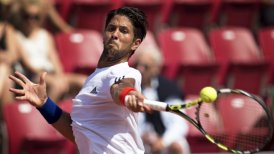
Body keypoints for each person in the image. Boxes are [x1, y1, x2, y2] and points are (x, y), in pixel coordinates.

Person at [9, 6, 152, 153]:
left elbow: (120, 87)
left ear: (135, 43)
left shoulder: (128, 73)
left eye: (124, 31)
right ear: (104, 33)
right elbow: (78, 133)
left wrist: (128, 95)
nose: (115, 34)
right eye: (111, 28)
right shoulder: (93, 79)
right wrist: (45, 104)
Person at [14, 0, 86, 101]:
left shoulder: (45, 35)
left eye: (36, 17)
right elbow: (28, 64)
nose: (31, 20)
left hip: (50, 73)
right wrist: (51, 77)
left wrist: (59, 75)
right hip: (33, 76)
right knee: (57, 85)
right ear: (21, 16)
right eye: (27, 16)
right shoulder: (17, 36)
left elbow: (54, 59)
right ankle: (46, 114)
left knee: (84, 82)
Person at [134, 45, 190, 154]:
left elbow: (179, 124)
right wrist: (141, 135)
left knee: (177, 146)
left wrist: (163, 142)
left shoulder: (169, 88)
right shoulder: (131, 88)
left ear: (156, 69)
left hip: (166, 138)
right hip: (142, 139)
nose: (140, 69)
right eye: (137, 65)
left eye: (145, 66)